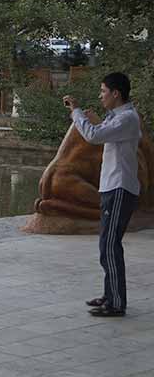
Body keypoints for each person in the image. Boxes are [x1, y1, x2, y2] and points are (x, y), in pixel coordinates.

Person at [64, 73, 142, 317]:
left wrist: (76, 112)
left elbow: (93, 136)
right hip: (112, 187)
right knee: (107, 244)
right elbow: (102, 131)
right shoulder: (119, 118)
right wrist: (95, 120)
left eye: (103, 91)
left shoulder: (127, 118)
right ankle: (110, 295)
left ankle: (117, 303)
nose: (100, 96)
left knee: (109, 244)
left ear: (116, 93)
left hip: (120, 187)